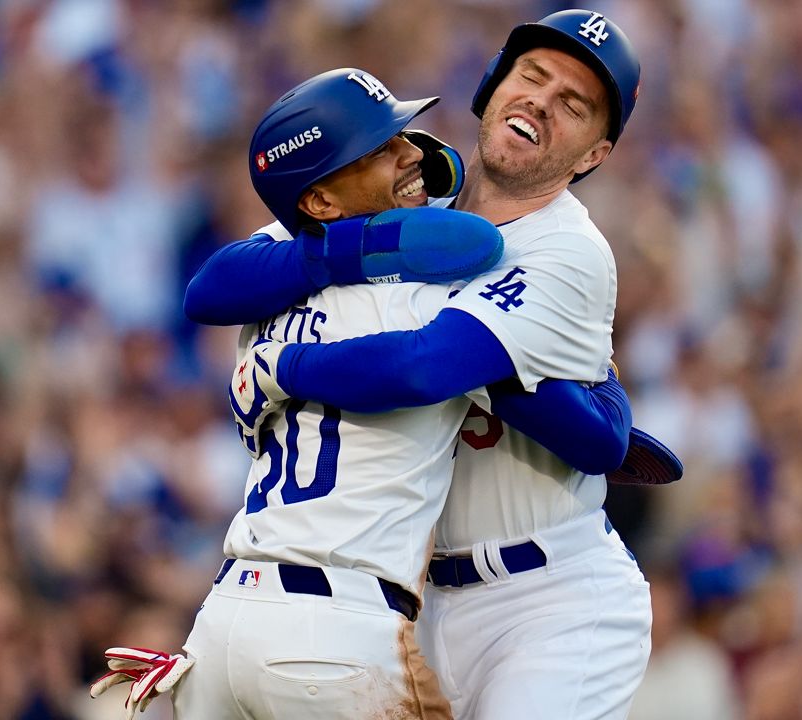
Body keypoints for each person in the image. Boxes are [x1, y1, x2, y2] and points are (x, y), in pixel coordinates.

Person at [103, 66, 641, 719]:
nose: (412, 152)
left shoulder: (290, 279)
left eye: (404, 137)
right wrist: (602, 391)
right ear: (322, 202)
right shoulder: (426, 284)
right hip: (338, 631)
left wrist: (296, 334)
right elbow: (442, 333)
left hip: (230, 617)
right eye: (383, 148)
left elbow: (211, 288)